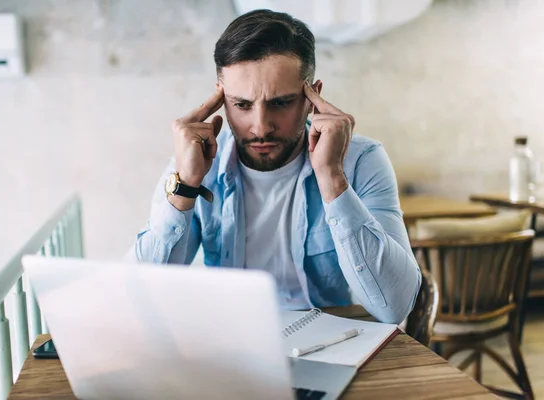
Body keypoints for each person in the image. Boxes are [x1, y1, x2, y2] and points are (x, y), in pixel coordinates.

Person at [125, 9, 420, 324]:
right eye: (242, 105)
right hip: (234, 341)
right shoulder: (195, 164)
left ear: (313, 97)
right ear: (220, 99)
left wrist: (332, 178)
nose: (260, 127)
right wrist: (186, 184)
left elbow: (395, 306)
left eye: (280, 103)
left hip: (333, 341)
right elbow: (139, 297)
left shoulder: (361, 160)